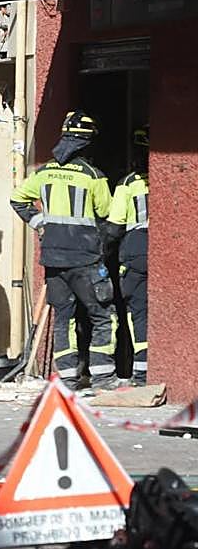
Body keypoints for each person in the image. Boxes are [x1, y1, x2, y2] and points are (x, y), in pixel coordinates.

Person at [12, 111, 115, 390]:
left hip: (54, 258)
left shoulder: (43, 172)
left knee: (63, 318)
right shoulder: (93, 176)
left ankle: (68, 377)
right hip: (86, 258)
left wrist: (41, 225)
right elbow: (107, 213)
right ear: (87, 144)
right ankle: (103, 376)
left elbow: (17, 199)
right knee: (103, 314)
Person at [106, 125, 150, 385]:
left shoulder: (128, 184)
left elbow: (114, 225)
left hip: (136, 250)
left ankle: (143, 371)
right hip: (159, 247)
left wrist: (102, 252)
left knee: (138, 312)